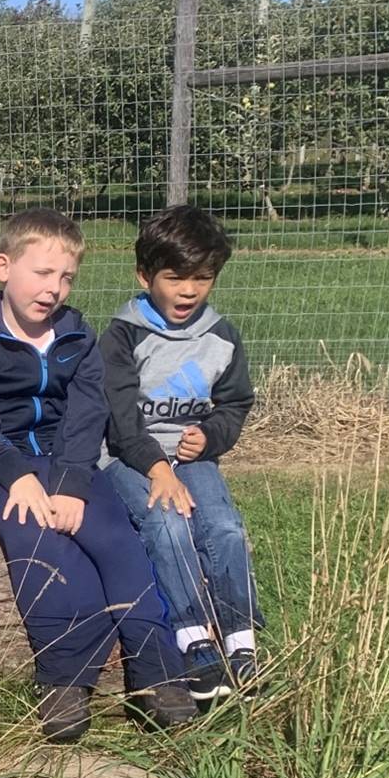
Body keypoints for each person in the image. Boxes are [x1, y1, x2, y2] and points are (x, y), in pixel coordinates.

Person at [0, 208, 196, 742]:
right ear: (3, 267)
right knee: (41, 547)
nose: (53, 288)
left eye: (66, 278)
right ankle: (64, 680)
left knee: (118, 544)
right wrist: (17, 476)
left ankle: (156, 673)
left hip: (65, 461)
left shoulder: (77, 336)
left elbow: (86, 417)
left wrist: (73, 484)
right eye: (41, 273)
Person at [101, 204, 261, 701]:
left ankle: (242, 639)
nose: (189, 291)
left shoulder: (221, 336)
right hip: (129, 457)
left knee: (224, 527)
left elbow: (235, 402)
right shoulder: (123, 336)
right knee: (167, 523)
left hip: (191, 456)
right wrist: (156, 469)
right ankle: (195, 639)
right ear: (145, 275)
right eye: (175, 278)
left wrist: (211, 436)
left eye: (203, 278)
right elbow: (120, 418)